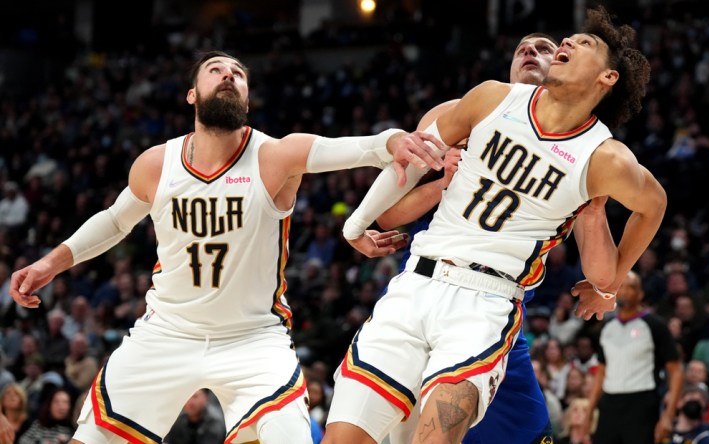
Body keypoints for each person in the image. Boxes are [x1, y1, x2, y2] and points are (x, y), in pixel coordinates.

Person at [8, 50, 444, 444]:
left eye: (238, 73)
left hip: (252, 338)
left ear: (247, 99)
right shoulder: (157, 164)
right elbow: (114, 220)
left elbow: (358, 148)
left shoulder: (274, 156)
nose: (229, 75)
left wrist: (392, 141)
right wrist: (50, 264)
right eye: (216, 70)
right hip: (167, 331)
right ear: (192, 95)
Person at [323, 6, 666, 443]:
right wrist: (357, 223)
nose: (565, 43)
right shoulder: (488, 98)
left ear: (608, 77)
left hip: (486, 302)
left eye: (582, 43)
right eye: (567, 39)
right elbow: (406, 163)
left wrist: (611, 284)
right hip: (414, 285)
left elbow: (654, 205)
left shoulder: (603, 158)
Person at [372, 32, 616, 444]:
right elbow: (389, 214)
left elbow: (599, 255)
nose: (530, 52)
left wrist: (607, 278)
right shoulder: (461, 114)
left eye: (543, 48)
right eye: (522, 48)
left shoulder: (585, 150)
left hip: (495, 306)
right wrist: (445, 182)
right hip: (425, 290)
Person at [587, 271, 683, 444]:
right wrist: (589, 412)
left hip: (642, 403)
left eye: (630, 287)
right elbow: (601, 371)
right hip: (609, 403)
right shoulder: (607, 327)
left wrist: (669, 415)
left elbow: (675, 371)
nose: (624, 291)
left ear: (640, 294)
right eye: (620, 287)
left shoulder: (655, 325)